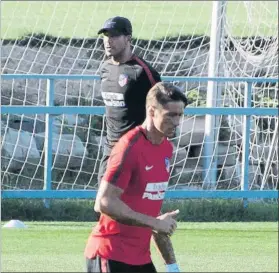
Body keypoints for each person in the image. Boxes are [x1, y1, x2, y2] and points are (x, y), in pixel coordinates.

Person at [85, 82, 188, 273]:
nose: (176, 122)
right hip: (111, 254)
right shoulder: (129, 147)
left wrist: (172, 266)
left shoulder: (166, 148)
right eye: (170, 115)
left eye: (180, 115)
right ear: (151, 111)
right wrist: (156, 222)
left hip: (140, 258)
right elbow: (104, 202)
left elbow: (151, 216)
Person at [96, 16, 161, 186]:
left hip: (136, 149)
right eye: (105, 36)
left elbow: (163, 106)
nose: (108, 41)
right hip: (110, 149)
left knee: (133, 204)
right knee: (102, 205)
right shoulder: (105, 68)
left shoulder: (142, 72)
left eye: (115, 36)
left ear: (128, 39)